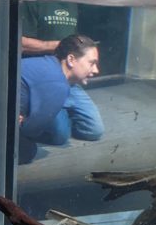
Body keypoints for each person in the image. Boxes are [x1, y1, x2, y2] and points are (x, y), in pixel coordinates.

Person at [21, 2, 104, 147]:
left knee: (94, 130)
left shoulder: (72, 4)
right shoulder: (32, 4)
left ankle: (56, 110)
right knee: (60, 136)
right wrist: (57, 46)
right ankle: (51, 111)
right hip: (47, 78)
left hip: (69, 77)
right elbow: (19, 42)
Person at [19, 34, 100, 164]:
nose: (96, 70)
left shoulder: (50, 63)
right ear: (71, 60)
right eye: (92, 63)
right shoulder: (58, 85)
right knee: (28, 151)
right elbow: (31, 130)